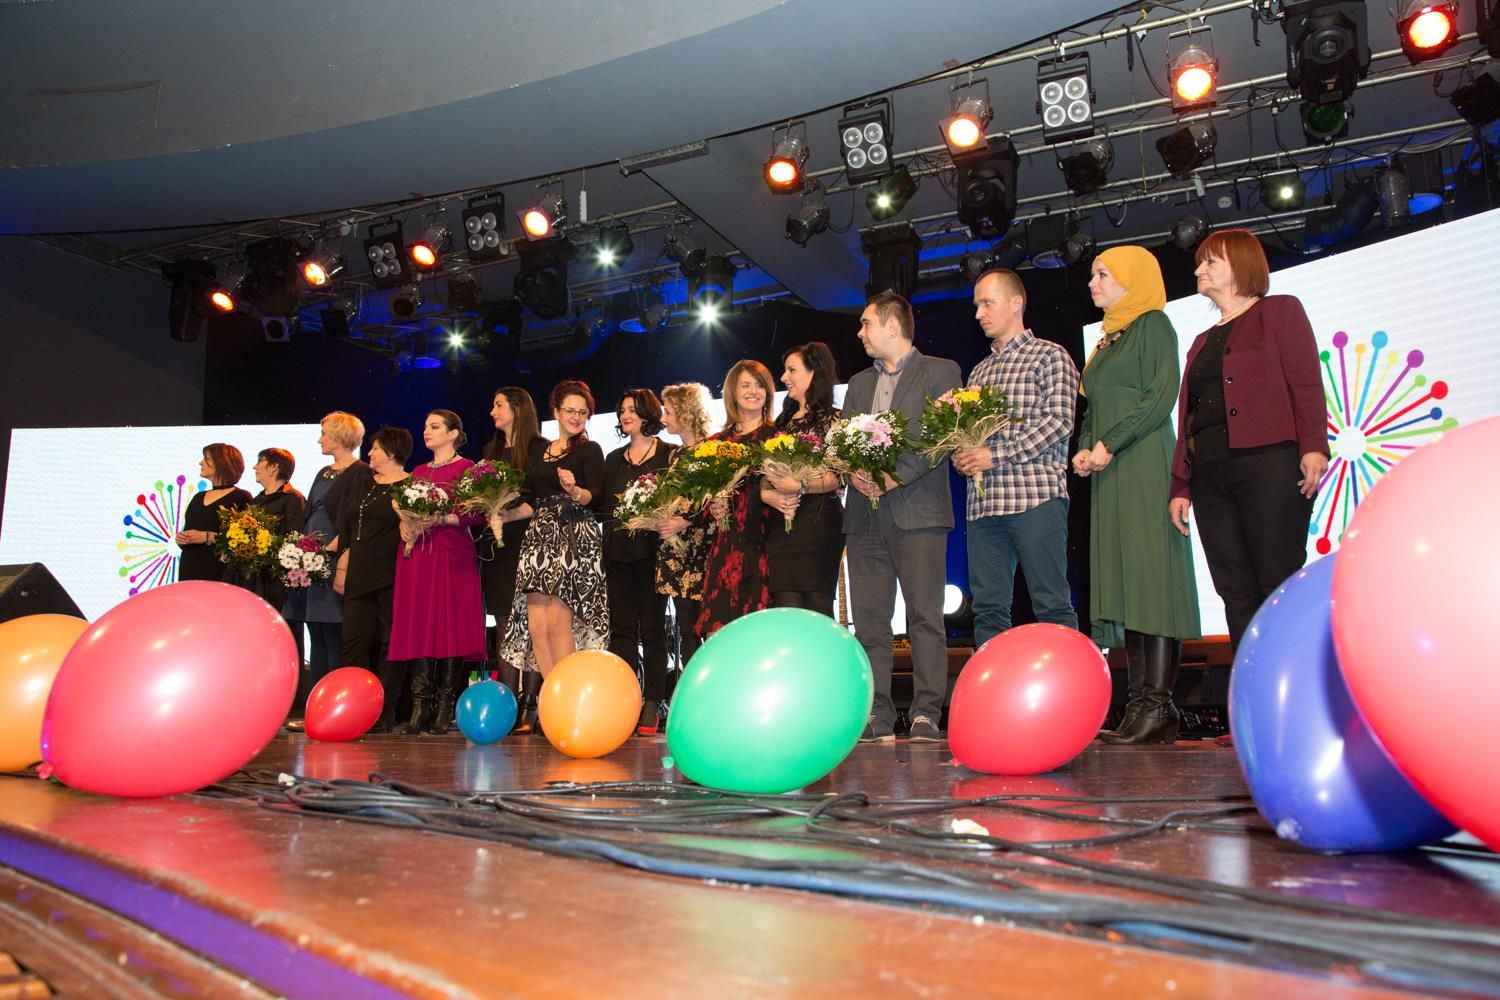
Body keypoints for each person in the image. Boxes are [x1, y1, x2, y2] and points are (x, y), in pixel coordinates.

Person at [1170, 228, 1328, 652]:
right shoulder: (1201, 341)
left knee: (1277, 579)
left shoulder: (1279, 311)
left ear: (1240, 265)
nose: (1199, 270)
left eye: (1210, 262)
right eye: (1199, 263)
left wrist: (1314, 445)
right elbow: (1188, 416)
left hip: (1269, 465)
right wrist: (1181, 485)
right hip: (1209, 475)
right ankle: (1250, 681)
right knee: (1233, 589)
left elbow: (1306, 383)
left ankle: (1291, 674)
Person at [1071, 247, 1201, 745]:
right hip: (1110, 470)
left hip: (1144, 460)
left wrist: (1108, 443)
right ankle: (1139, 704)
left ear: (1133, 279)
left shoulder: (1153, 326)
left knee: (1151, 579)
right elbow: (1093, 408)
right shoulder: (1107, 339)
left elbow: (1160, 396)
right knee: (1127, 582)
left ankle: (1158, 704)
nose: (1093, 283)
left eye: (1103, 274)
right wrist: (1086, 448)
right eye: (1093, 275)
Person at [843, 291, 962, 744]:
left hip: (918, 512)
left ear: (892, 326)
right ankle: (877, 713)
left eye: (866, 323)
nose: (860, 332)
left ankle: (926, 713)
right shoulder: (858, 383)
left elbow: (942, 437)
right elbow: (844, 442)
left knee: (925, 618)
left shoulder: (941, 371)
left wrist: (894, 477)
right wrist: (854, 473)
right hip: (864, 518)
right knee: (870, 622)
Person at [953, 269, 1080, 651]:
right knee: (988, 609)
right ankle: (995, 685)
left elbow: (1059, 423)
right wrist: (963, 454)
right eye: (976, 305)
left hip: (1035, 498)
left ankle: (1068, 683)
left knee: (1051, 602)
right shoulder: (979, 371)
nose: (979, 313)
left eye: (987, 303)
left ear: (1016, 303)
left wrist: (994, 455)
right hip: (985, 507)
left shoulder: (1050, 356)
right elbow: (972, 436)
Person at [501, 380, 609, 730]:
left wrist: (574, 489)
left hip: (573, 534)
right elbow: (532, 501)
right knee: (536, 625)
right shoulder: (540, 451)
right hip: (539, 537)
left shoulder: (591, 450)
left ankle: (572, 702)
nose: (576, 417)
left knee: (558, 622)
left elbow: (596, 496)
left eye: (583, 412)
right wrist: (503, 514)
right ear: (557, 412)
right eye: (570, 411)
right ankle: (555, 702)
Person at [388, 410, 486, 735]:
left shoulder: (467, 468)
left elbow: (479, 514)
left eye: (435, 427)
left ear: (453, 433)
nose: (426, 432)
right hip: (419, 555)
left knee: (450, 625)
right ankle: (420, 705)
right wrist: (404, 524)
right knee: (420, 624)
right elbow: (406, 510)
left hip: (451, 553)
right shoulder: (417, 472)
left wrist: (443, 519)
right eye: (426, 426)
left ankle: (444, 707)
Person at [599, 389, 673, 733]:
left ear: (648, 413)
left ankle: (653, 702)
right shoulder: (613, 459)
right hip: (617, 554)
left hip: (653, 553)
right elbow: (602, 507)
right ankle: (624, 700)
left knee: (654, 627)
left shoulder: (669, 454)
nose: (625, 415)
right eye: (622, 410)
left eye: (632, 409)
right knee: (622, 630)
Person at [284, 412, 367, 712]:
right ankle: (315, 706)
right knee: (315, 631)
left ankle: (336, 704)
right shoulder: (324, 472)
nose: (320, 440)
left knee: (334, 632)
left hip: (335, 558)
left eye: (324, 434)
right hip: (311, 559)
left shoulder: (360, 472)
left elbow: (356, 519)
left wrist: (333, 548)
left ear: (339, 437)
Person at [335, 427, 411, 734]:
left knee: (389, 643)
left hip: (393, 574)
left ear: (391, 452)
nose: (370, 453)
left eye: (376, 448)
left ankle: (384, 709)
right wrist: (342, 565)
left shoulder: (410, 486)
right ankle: (353, 705)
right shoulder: (364, 482)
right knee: (353, 641)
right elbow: (348, 526)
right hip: (358, 573)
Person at [760, 342, 844, 618]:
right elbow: (763, 472)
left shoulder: (834, 420)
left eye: (792, 370)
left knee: (816, 607)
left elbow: (839, 476)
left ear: (814, 372)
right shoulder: (781, 424)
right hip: (782, 524)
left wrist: (801, 485)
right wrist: (768, 493)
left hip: (819, 522)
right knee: (786, 608)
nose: (784, 377)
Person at [695, 360, 776, 638]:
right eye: (746, 385)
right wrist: (712, 504)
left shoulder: (777, 436)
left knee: (759, 634)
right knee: (720, 634)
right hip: (725, 547)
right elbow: (700, 500)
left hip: (764, 545)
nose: (753, 391)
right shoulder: (715, 443)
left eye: (760, 385)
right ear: (732, 392)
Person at [478, 387, 539, 716]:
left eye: (498, 405)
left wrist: (511, 514)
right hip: (498, 549)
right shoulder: (491, 451)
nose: (492, 412)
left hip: (529, 543)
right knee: (504, 622)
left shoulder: (539, 448)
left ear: (517, 408)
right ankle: (507, 704)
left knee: (532, 624)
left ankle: (530, 703)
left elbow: (542, 497)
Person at [654, 382, 715, 703]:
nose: (663, 418)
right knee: (686, 629)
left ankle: (713, 694)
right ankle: (696, 697)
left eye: (668, 411)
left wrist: (686, 520)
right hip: (676, 554)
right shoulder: (676, 454)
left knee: (706, 627)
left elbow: (717, 498)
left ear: (686, 412)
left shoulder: (711, 449)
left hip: (702, 552)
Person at [223, 447, 306, 613]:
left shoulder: (293, 499)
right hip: (250, 578)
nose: (255, 467)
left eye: (260, 462)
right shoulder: (256, 501)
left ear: (274, 467)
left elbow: (294, 539)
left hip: (273, 582)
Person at [175, 443, 251, 581]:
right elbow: (189, 531)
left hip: (218, 574)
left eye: (207, 459)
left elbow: (245, 541)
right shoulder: (198, 498)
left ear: (222, 463)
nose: (200, 463)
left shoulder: (241, 497)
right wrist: (181, 539)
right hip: (189, 572)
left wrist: (207, 537)